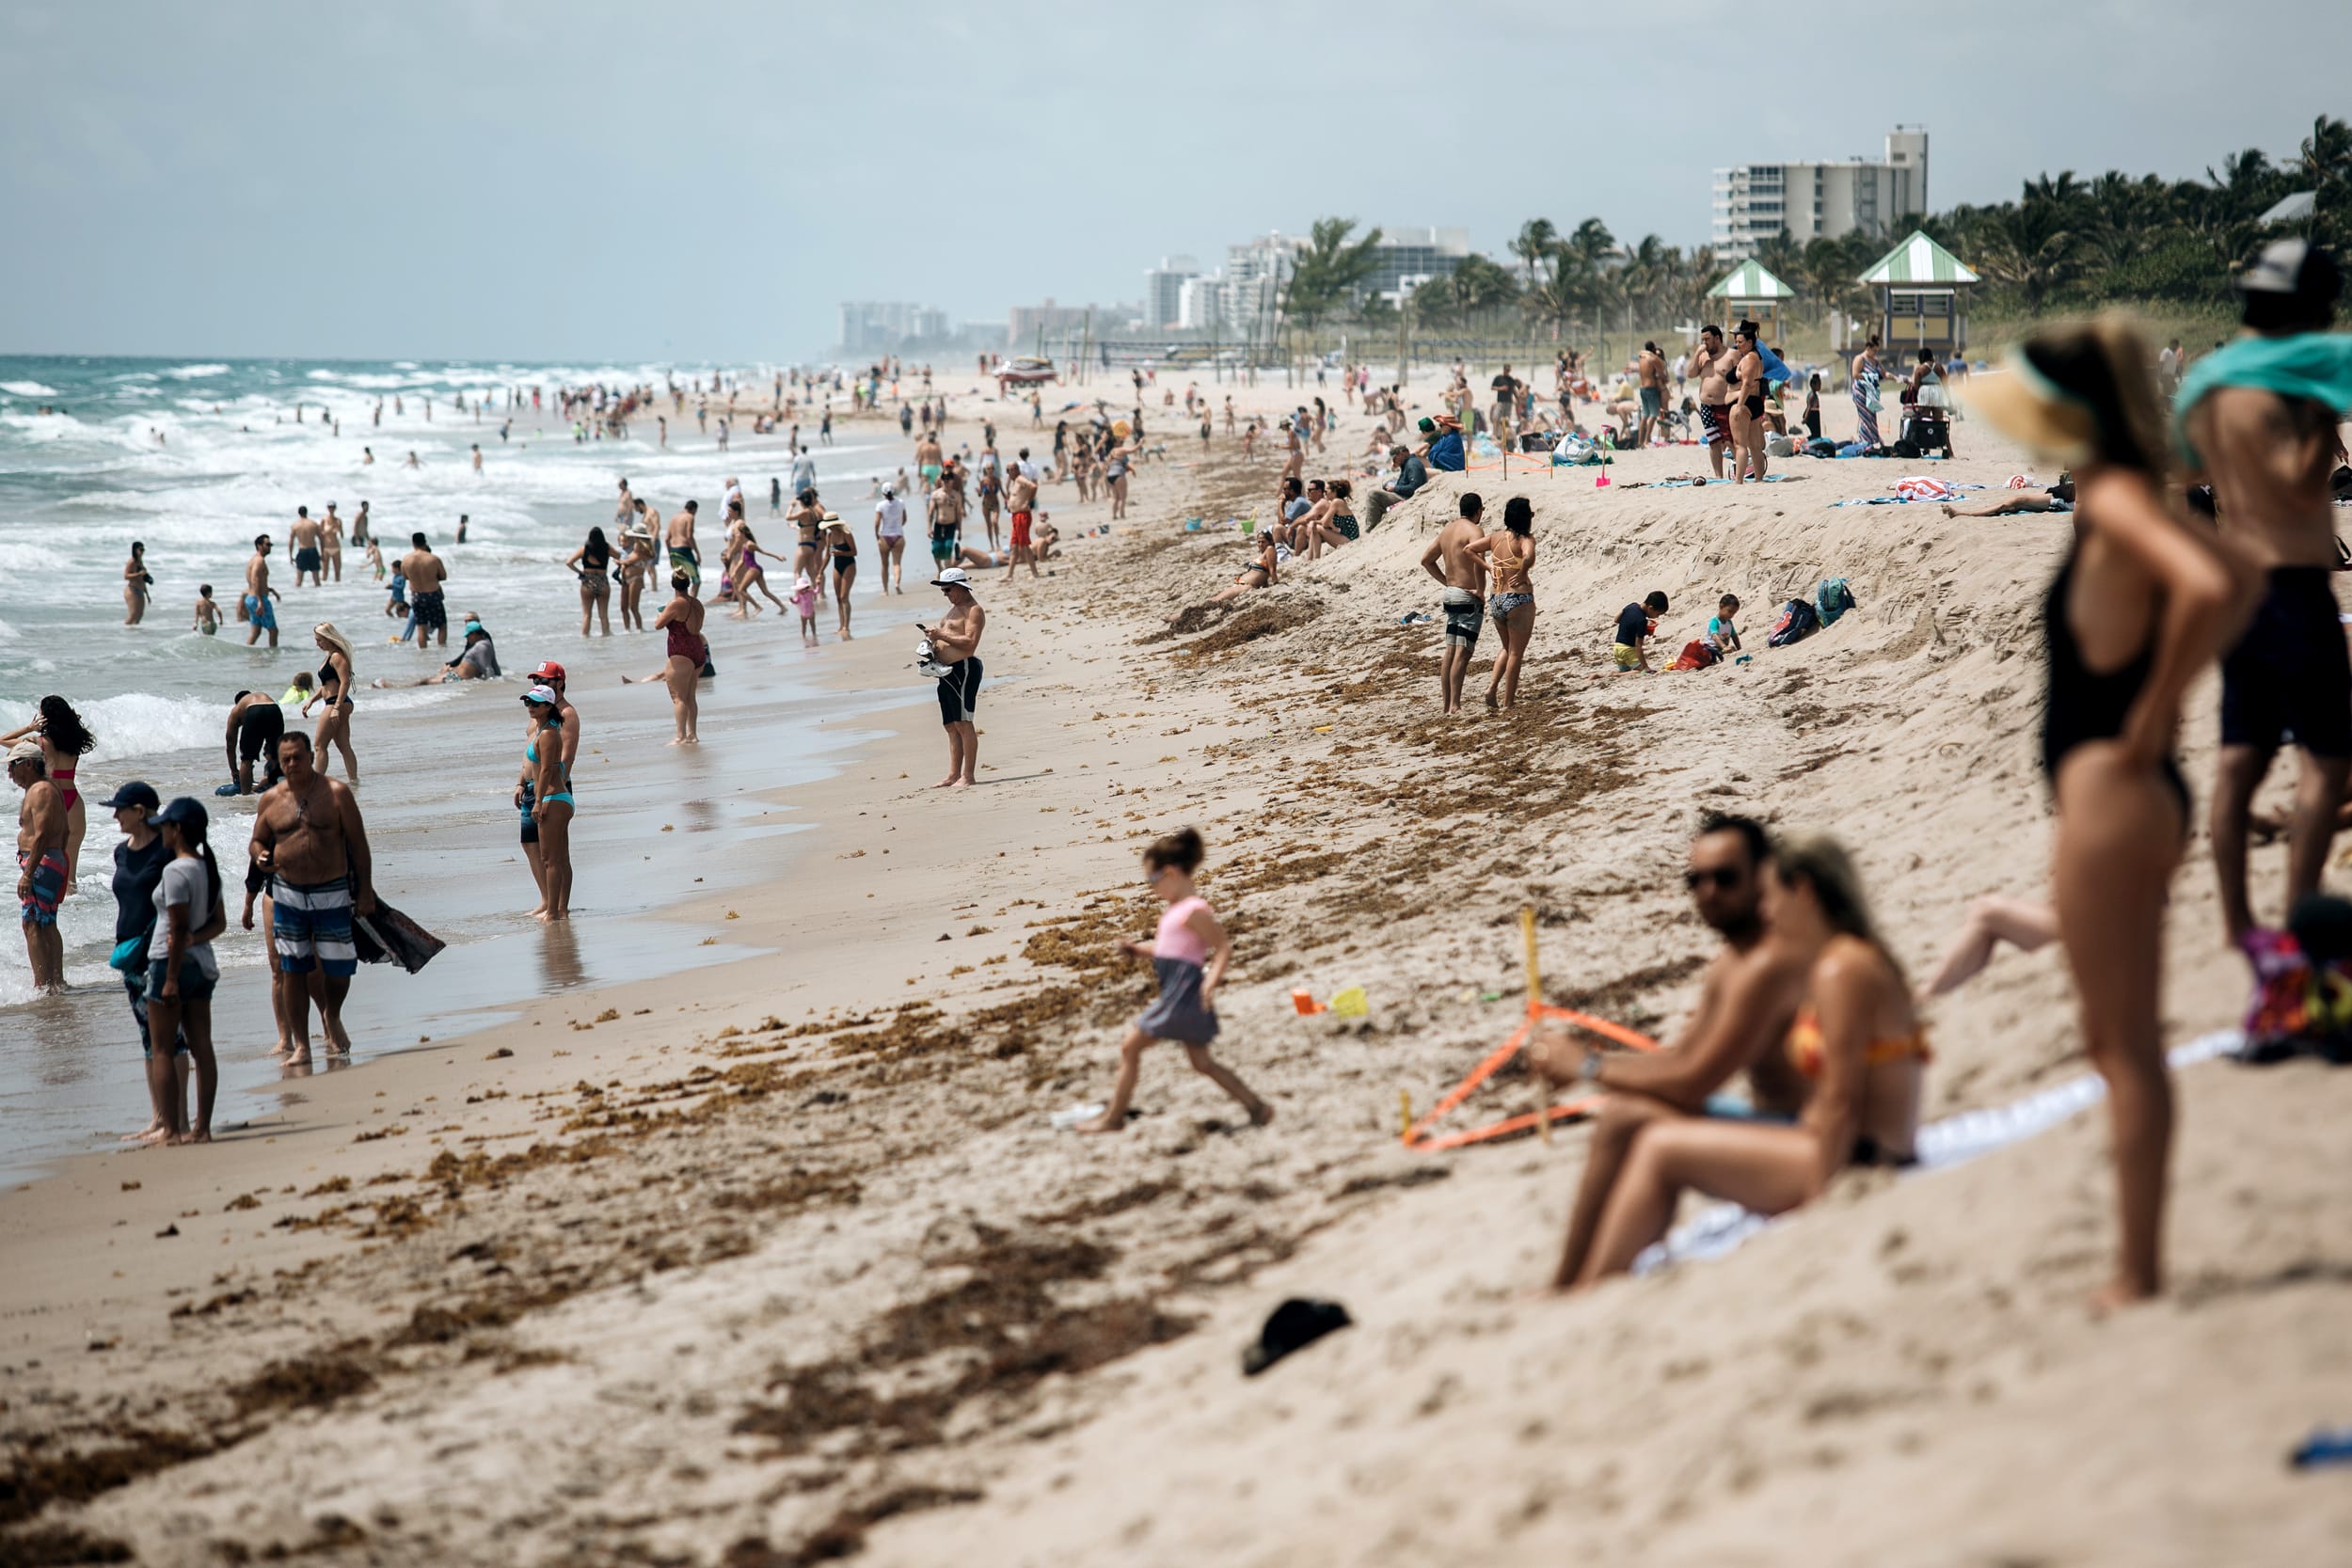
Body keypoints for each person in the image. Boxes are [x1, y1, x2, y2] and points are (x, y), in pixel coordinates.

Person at [1967, 316, 2257, 1305]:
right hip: (2134, 792)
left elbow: (2218, 581)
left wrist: (2148, 713)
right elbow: (2243, 571)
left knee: (2120, 1044)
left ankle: (2136, 1268)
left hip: (2111, 788)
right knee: (2124, 1041)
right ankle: (2137, 1258)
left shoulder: (2116, 493)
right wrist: (2163, 703)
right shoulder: (2129, 487)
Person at [1561, 836, 1929, 1287]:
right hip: (1851, 1143)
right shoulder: (1847, 959)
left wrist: (1823, 1205)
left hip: (1865, 1156)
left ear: (1805, 893)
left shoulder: (1840, 970)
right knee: (1640, 1127)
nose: (1768, 913)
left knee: (1660, 1148)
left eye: (1773, 898)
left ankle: (1591, 1290)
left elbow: (1841, 1100)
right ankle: (1582, 1283)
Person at [1531, 815, 1813, 1287]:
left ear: (1765, 876)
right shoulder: (1733, 961)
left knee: (1634, 1125)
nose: (1709, 892)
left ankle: (1584, 1290)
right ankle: (1566, 1286)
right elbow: (1680, 1060)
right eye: (1695, 880)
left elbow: (1693, 1080)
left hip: (1807, 1136)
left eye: (1725, 878)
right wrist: (1590, 1065)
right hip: (1775, 1123)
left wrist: (1588, 1065)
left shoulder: (1770, 964)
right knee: (1624, 1114)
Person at [2175, 240, 2352, 953]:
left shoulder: (2212, 380)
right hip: (2294, 585)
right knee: (2327, 759)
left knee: (2237, 760)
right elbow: (2300, 482)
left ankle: (2236, 927)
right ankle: (2300, 912)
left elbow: (2185, 475)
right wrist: (2320, 423)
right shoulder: (2295, 382)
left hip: (2237, 589)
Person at [1079, 828, 1272, 1134]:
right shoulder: (1175, 911)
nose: (1152, 889)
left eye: (1152, 881)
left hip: (1183, 996)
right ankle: (1257, 1107)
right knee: (1202, 1063)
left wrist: (1210, 984)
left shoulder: (1193, 911)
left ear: (1169, 873)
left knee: (1130, 1048)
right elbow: (1169, 950)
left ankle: (1113, 1119)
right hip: (1182, 995)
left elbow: (1222, 948)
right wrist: (1137, 950)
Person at [251, 732, 376, 1062]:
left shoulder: (336, 794)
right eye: (285, 758)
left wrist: (364, 891)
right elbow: (257, 840)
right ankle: (303, 1046)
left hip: (331, 891)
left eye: (297, 757)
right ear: (278, 761)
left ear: (310, 756)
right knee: (293, 969)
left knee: (338, 968)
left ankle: (332, 1015)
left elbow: (359, 846)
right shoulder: (271, 799)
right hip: (288, 893)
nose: (291, 764)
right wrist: (261, 855)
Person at [144, 797, 224, 1143]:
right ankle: (202, 1128)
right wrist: (194, 940)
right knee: (202, 1047)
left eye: (165, 825)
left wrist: (171, 977)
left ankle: (173, 1131)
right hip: (201, 963)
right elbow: (218, 924)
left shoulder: (176, 871)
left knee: (162, 1048)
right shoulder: (207, 867)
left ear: (177, 830)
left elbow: (176, 928)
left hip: (168, 962)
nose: (161, 830)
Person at [1, 696, 94, 893]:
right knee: (70, 876)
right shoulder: (75, 742)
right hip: (74, 801)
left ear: (45, 718)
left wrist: (29, 727)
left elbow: (3, 740)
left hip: (50, 801)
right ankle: (77, 914)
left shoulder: (38, 742)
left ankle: (46, 909)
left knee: (42, 860)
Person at [1421, 493, 1488, 715]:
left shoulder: (1448, 530)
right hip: (1467, 595)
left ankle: (1447, 705)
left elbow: (1426, 560)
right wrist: (1480, 590)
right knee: (1463, 651)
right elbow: (1479, 563)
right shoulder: (1474, 531)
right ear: (1478, 510)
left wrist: (1446, 582)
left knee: (1450, 650)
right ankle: (1455, 706)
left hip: (1451, 594)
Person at [1468, 496, 1536, 710]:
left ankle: (1492, 688)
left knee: (1506, 648)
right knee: (1516, 653)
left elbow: (1468, 549)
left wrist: (1488, 567)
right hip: (1518, 598)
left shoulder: (1495, 537)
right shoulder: (1526, 539)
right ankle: (1508, 703)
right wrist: (1524, 571)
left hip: (1496, 598)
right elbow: (1529, 556)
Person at [9, 741, 68, 994]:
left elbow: (42, 835)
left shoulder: (41, 790)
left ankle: (43, 985)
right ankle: (55, 982)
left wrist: (29, 873)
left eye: (12, 766)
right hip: (48, 860)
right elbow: (63, 832)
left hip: (41, 862)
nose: (9, 773)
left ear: (29, 764)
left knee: (32, 923)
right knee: (46, 922)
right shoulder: (44, 788)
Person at [625, 573, 707, 746]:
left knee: (678, 697)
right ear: (688, 583)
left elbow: (658, 625)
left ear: (673, 585)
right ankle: (693, 734)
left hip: (681, 652)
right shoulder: (697, 603)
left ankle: (680, 736)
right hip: (698, 649)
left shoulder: (676, 604)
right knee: (690, 696)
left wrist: (659, 614)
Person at [923, 568, 986, 788]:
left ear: (960, 586)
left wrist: (939, 635)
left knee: (964, 722)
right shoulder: (953, 610)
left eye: (948, 589)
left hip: (964, 669)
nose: (946, 594)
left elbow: (970, 643)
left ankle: (968, 775)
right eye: (943, 590)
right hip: (945, 671)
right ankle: (953, 774)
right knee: (950, 725)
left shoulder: (973, 610)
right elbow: (946, 637)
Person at [519, 687, 573, 923]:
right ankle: (560, 910)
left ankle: (553, 912)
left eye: (536, 702)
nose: (530, 705)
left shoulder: (549, 733)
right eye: (528, 701)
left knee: (551, 860)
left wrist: (539, 801)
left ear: (549, 706)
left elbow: (549, 769)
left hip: (553, 798)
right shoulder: (543, 730)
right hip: (555, 798)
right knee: (558, 858)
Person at [304, 623, 358, 781]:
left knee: (320, 746)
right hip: (337, 703)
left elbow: (345, 682)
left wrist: (336, 707)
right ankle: (354, 781)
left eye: (319, 640)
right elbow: (326, 686)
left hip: (337, 703)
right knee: (343, 745)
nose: (317, 644)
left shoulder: (337, 656)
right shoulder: (330, 655)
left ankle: (316, 783)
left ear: (328, 638)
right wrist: (311, 701)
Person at [1726, 322, 1769, 483]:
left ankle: (1738, 481)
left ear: (1750, 342)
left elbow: (1747, 383)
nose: (1737, 345)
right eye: (1736, 342)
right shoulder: (1753, 357)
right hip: (1751, 402)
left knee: (1740, 445)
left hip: (1745, 403)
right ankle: (1758, 479)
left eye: (1740, 342)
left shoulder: (1750, 358)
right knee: (1754, 445)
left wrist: (1738, 405)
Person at [223, 689, 285, 794]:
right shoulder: (258, 698)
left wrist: (234, 771)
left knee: (247, 759)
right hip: (274, 709)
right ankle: (280, 790)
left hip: (255, 712)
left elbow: (230, 744)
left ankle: (246, 796)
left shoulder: (236, 710)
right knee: (277, 756)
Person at [400, 531, 451, 651]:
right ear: (425, 542)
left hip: (417, 595)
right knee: (441, 625)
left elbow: (405, 577)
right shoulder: (433, 559)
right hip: (433, 594)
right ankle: (442, 650)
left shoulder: (406, 560)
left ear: (413, 543)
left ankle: (423, 653)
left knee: (421, 627)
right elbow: (443, 576)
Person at [1360, 444, 1427, 532]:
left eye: (1395, 458)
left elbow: (1414, 487)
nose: (1394, 461)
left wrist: (1395, 489)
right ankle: (1375, 524)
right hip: (1403, 495)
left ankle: (1370, 528)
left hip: (1407, 498)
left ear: (1401, 454)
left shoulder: (1412, 464)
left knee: (1372, 495)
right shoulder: (1407, 463)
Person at [568, 527, 613, 637]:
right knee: (603, 615)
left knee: (587, 614)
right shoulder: (606, 548)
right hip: (603, 582)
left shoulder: (585, 549)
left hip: (588, 583)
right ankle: (606, 637)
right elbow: (619, 555)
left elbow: (569, 562)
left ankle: (585, 638)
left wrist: (580, 572)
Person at [1613, 590, 1669, 672]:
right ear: (1651, 608)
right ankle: (1610, 674)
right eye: (1658, 614)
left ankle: (1610, 675)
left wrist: (1634, 626)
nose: (1657, 617)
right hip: (1627, 649)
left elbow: (1616, 619)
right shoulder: (1642, 621)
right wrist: (1645, 666)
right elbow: (1638, 646)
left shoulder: (1632, 606)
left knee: (1626, 672)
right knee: (1640, 671)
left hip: (1617, 647)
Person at [824, 512, 858, 639]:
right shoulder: (829, 536)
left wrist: (841, 553)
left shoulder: (846, 533)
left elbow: (854, 552)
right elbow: (827, 555)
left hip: (849, 564)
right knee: (838, 597)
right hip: (837, 566)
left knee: (844, 596)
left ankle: (846, 626)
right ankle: (841, 626)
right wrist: (820, 571)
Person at [243, 534, 279, 647]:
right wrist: (260, 601)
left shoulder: (254, 559)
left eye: (270, 545)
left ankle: (248, 655)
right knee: (273, 631)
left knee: (256, 632)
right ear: (259, 546)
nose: (269, 547)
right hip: (258, 599)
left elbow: (256, 581)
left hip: (251, 598)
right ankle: (273, 659)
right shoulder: (259, 561)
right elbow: (254, 579)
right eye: (267, 545)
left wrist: (271, 590)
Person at [1851, 335, 1885, 449]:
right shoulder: (1860, 359)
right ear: (1868, 348)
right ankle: (1864, 440)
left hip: (1871, 393)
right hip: (1861, 391)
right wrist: (1870, 376)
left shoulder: (1875, 361)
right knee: (1864, 416)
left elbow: (1884, 374)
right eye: (1874, 350)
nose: (1875, 353)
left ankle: (1872, 439)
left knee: (1872, 415)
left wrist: (1897, 378)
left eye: (1877, 351)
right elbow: (1855, 374)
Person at [874, 486, 908, 594]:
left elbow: (877, 522)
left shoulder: (880, 505)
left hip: (885, 535)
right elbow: (905, 518)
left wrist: (877, 535)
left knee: (884, 564)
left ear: (883, 493)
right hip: (898, 535)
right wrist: (899, 526)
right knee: (897, 563)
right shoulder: (901, 502)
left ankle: (885, 590)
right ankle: (897, 584)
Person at [666, 499, 702, 597]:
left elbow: (666, 539)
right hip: (684, 551)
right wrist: (697, 553)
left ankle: (678, 604)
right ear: (694, 509)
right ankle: (690, 605)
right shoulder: (689, 517)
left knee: (678, 581)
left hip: (673, 551)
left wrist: (670, 556)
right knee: (696, 580)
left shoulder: (674, 518)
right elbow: (689, 536)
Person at [1635, 342, 1666, 448]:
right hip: (1650, 388)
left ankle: (1640, 441)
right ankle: (1646, 440)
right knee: (1654, 414)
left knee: (1645, 415)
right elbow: (1661, 374)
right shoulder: (1652, 359)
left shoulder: (1641, 358)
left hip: (1642, 388)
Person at [287, 506, 324, 588]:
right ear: (307, 512)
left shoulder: (295, 525)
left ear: (299, 513)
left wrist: (290, 556)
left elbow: (291, 542)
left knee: (299, 580)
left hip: (302, 551)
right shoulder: (313, 524)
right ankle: (320, 597)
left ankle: (297, 598)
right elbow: (321, 539)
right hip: (313, 550)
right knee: (317, 580)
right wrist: (322, 553)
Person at [123, 541, 153, 625]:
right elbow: (126, 576)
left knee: (139, 615)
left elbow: (142, 580)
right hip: (132, 590)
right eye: (141, 550)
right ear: (135, 550)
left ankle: (133, 635)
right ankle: (124, 633)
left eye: (143, 550)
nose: (142, 552)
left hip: (140, 590)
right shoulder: (132, 562)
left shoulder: (140, 561)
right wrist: (138, 574)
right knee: (133, 615)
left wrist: (147, 594)